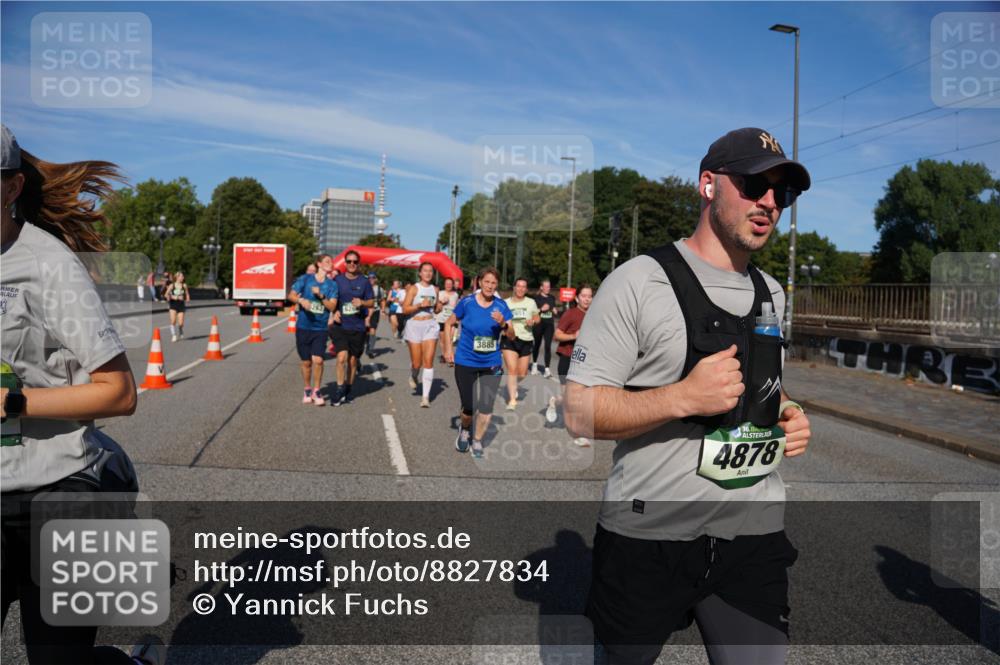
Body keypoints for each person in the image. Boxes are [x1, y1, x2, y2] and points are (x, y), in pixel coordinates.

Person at [563, 127, 813, 665]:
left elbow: (763, 385)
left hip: (753, 534)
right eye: (754, 185)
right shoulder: (638, 281)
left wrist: (788, 410)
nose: (770, 202)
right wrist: (681, 397)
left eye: (783, 193)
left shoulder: (772, 292)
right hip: (649, 534)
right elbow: (579, 412)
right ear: (708, 185)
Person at [0, 125, 165, 664]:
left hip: (59, 489)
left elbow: (119, 393)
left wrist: (14, 403)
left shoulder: (47, 265)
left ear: (11, 187)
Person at [441, 267, 514, 459]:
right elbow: (448, 323)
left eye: (493, 283)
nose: (490, 286)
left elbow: (512, 335)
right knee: (469, 406)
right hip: (466, 360)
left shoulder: (501, 306)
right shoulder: (467, 302)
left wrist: (503, 324)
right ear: (480, 282)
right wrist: (448, 350)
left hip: (491, 362)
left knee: (486, 406)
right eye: (487, 282)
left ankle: (478, 440)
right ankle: (465, 428)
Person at [546, 284, 593, 446]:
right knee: (572, 400)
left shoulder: (594, 315)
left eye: (589, 296)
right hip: (567, 360)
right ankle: (577, 434)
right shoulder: (570, 314)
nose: (587, 299)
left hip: (585, 362)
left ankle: (555, 401)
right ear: (577, 298)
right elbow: (557, 335)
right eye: (584, 296)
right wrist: (574, 336)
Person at [288, 255, 338, 405]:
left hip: (320, 328)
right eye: (327, 261)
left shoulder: (332, 285)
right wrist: (301, 300)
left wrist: (321, 296)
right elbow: (291, 295)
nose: (330, 264)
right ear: (319, 264)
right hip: (303, 326)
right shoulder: (306, 279)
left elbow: (332, 307)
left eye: (331, 262)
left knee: (319, 360)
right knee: (306, 362)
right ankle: (307, 389)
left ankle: (317, 390)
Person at [329, 250, 374, 405]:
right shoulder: (337, 280)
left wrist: (362, 302)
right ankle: (339, 389)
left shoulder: (364, 282)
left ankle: (348, 389)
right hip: (341, 325)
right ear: (345, 263)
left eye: (355, 261)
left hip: (358, 326)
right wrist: (334, 311)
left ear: (358, 263)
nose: (352, 264)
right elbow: (330, 299)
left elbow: (371, 302)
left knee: (353, 361)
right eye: (349, 261)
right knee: (341, 357)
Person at [401, 262, 442, 407]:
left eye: (430, 271)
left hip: (430, 325)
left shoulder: (435, 289)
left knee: (428, 362)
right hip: (414, 325)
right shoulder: (414, 288)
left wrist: (439, 307)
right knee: (417, 363)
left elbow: (435, 309)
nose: (428, 273)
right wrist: (419, 305)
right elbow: (405, 309)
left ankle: (425, 398)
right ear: (420, 273)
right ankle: (414, 375)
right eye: (425, 271)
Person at [502, 277, 540, 410]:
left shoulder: (531, 302)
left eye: (524, 286)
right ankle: (512, 400)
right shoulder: (505, 303)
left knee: (522, 374)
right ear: (514, 287)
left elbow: (537, 317)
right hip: (509, 339)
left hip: (526, 339)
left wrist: (533, 321)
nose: (521, 289)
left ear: (526, 289)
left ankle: (512, 385)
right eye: (518, 286)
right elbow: (500, 319)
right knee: (512, 370)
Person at [531, 279, 557, 377]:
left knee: (548, 346)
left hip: (549, 325)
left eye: (549, 286)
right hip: (538, 324)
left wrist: (554, 310)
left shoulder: (552, 298)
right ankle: (534, 365)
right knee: (537, 345)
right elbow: (533, 312)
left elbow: (553, 308)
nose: (547, 288)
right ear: (541, 287)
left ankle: (547, 369)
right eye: (545, 286)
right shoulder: (536, 299)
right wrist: (541, 309)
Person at [436, 278, 459, 365]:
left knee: (450, 339)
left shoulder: (455, 295)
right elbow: (436, 307)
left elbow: (456, 307)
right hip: (441, 319)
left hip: (451, 320)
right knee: (442, 340)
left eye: (450, 284)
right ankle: (444, 355)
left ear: (452, 285)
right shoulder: (440, 293)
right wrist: (442, 302)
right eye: (447, 283)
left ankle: (450, 358)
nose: (448, 285)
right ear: (444, 285)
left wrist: (457, 319)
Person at [165, 271, 190, 342]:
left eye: (183, 276)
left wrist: (187, 298)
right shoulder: (172, 285)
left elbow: (187, 293)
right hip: (173, 304)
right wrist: (173, 297)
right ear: (177, 277)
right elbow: (166, 294)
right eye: (182, 276)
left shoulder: (184, 285)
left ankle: (180, 329)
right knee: (173, 321)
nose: (183, 278)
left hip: (181, 305)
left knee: (181, 323)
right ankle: (174, 335)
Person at [365, 273, 386, 358]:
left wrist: (383, 310)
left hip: (375, 311)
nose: (371, 279)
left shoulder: (379, 289)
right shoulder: (364, 287)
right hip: (364, 311)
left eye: (373, 278)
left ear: (376, 279)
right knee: (365, 331)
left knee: (372, 330)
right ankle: (366, 344)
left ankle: (370, 349)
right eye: (369, 278)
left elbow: (383, 300)